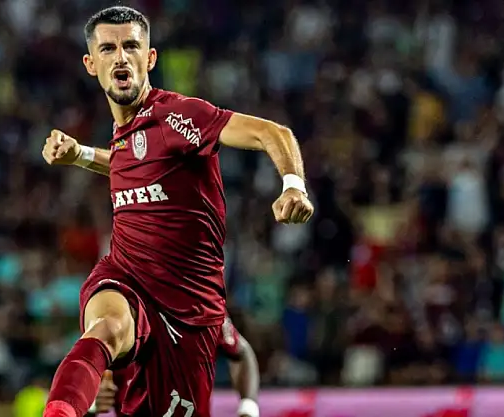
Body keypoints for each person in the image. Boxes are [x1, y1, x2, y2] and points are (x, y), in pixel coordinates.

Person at [40, 6, 313, 417]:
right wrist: (79, 154)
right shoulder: (123, 133)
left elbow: (272, 132)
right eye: (108, 48)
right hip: (128, 276)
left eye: (131, 46)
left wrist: (293, 185)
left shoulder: (178, 116)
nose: (121, 56)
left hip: (189, 310)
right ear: (91, 64)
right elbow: (130, 163)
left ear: (150, 58)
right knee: (107, 327)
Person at [88, 317, 260, 417]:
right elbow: (82, 386)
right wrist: (90, 404)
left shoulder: (202, 307)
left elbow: (242, 352)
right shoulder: (118, 317)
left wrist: (248, 407)